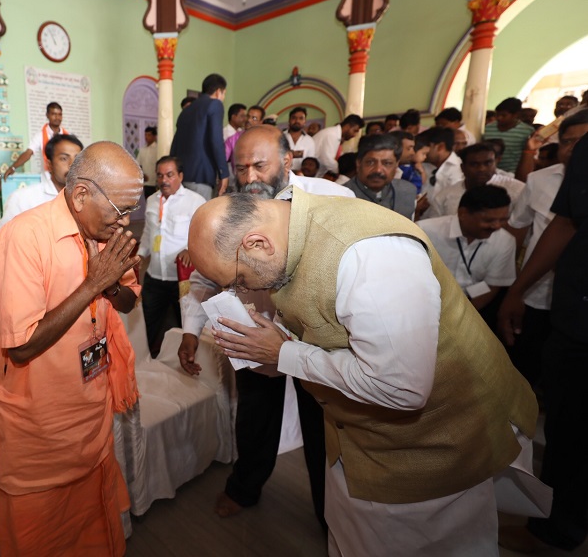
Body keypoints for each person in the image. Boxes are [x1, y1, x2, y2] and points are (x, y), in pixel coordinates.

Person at [186, 187, 540, 557]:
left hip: (433, 446)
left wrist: (285, 351)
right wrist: (280, 336)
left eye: (238, 279)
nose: (242, 289)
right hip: (359, 436)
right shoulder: (286, 224)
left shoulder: (370, 256)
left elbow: (401, 387)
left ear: (257, 243)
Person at [178, 125, 354, 530]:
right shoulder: (229, 208)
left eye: (260, 166)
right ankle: (245, 487)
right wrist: (191, 330)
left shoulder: (332, 199)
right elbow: (205, 276)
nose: (250, 178)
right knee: (255, 417)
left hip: (318, 338)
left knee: (322, 427)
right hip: (255, 332)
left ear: (287, 161)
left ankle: (329, 514)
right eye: (241, 169)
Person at [0, 141, 144, 556]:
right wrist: (91, 283)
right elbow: (20, 349)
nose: (125, 221)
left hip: (90, 414)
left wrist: (109, 281)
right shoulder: (24, 238)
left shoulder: (106, 232)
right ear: (80, 195)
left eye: (132, 210)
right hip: (40, 429)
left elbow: (128, 300)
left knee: (94, 534)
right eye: (120, 210)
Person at [497, 134, 588, 553]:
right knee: (566, 426)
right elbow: (566, 223)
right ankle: (557, 524)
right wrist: (518, 290)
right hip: (576, 319)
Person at [503, 111, 588, 385]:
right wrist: (514, 288)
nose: (575, 149)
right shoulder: (540, 180)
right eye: (568, 142)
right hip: (542, 292)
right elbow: (527, 229)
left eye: (582, 141)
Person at [418, 185, 515, 329]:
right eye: (489, 220)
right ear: (463, 213)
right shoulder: (425, 231)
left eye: (503, 220)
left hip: (473, 308)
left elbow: (492, 285)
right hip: (423, 304)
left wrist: (457, 319)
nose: (497, 226)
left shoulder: (505, 241)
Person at [137, 156, 205, 356]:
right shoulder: (151, 201)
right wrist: (140, 255)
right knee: (147, 324)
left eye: (169, 175)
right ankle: (145, 363)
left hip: (183, 281)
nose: (164, 180)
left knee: (189, 326)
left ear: (180, 176)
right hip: (154, 277)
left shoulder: (195, 201)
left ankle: (190, 362)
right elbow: (149, 233)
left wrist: (191, 250)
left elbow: (205, 236)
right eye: (160, 175)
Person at [0, 133, 83, 228]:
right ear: (49, 165)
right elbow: (4, 238)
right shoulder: (22, 199)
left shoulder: (87, 199)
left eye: (77, 159)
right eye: (64, 158)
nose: (72, 164)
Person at [421, 143, 524, 219]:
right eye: (474, 164)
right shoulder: (445, 195)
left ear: (496, 163)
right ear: (462, 168)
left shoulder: (517, 190)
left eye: (488, 163)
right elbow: (437, 227)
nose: (481, 169)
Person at [170, 74, 229, 199]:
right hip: (201, 174)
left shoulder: (186, 110)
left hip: (182, 175)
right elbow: (216, 140)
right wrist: (223, 173)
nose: (223, 98)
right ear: (219, 92)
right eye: (224, 94)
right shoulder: (215, 104)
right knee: (200, 216)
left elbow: (175, 143)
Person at [344, 133, 417, 219]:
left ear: (396, 165)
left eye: (387, 163)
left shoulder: (407, 191)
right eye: (370, 162)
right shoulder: (341, 196)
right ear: (359, 163)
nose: (378, 170)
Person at [3, 101, 69, 180]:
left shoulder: (67, 136)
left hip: (65, 178)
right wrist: (13, 167)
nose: (57, 117)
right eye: (54, 114)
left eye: (59, 114)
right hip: (48, 179)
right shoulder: (40, 135)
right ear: (47, 115)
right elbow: (28, 153)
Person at [483, 97, 533, 174]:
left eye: (503, 115)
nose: (499, 118)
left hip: (513, 174)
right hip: (490, 172)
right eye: (497, 115)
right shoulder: (488, 128)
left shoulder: (527, 131)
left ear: (516, 115)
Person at [284, 106, 316, 172]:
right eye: (294, 118)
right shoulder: (280, 136)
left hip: (301, 177)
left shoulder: (309, 141)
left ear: (305, 121)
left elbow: (310, 162)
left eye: (301, 118)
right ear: (289, 120)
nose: (297, 121)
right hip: (282, 174)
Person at [137, 126, 159, 197]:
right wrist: (142, 174)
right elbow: (138, 164)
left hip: (155, 182)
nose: (146, 137)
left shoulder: (158, 149)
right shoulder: (142, 149)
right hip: (146, 182)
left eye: (149, 135)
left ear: (154, 136)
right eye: (145, 135)